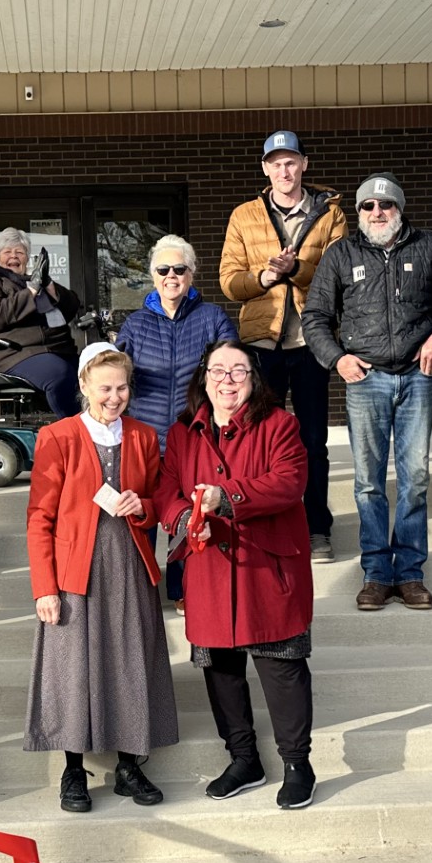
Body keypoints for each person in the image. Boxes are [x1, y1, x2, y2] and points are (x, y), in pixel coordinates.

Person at [155, 341, 318, 809]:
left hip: (265, 565)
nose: (227, 380)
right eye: (218, 370)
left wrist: (224, 498)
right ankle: (244, 758)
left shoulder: (280, 425)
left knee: (280, 665)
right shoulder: (184, 431)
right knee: (220, 667)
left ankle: (296, 763)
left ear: (255, 378)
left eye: (238, 371)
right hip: (208, 565)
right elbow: (167, 487)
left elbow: (288, 481)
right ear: (203, 376)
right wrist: (183, 517)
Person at [301, 173, 432, 613]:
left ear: (400, 207)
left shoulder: (428, 246)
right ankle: (376, 573)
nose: (377, 213)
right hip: (365, 380)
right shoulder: (340, 254)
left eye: (386, 205)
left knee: (416, 480)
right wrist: (338, 359)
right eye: (368, 207)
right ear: (358, 213)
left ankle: (410, 573)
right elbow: (314, 316)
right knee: (368, 484)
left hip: (417, 376)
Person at [25, 344, 179, 811]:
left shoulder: (143, 436)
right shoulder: (58, 436)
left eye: (122, 387)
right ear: (84, 387)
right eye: (105, 388)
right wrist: (44, 588)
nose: (115, 396)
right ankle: (74, 770)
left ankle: (130, 765)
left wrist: (143, 506)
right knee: (74, 669)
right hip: (76, 570)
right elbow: (39, 517)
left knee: (131, 659)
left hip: (130, 564)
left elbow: (157, 500)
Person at [217, 130, 348, 562]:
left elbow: (339, 275)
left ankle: (316, 529)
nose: (284, 170)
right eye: (275, 163)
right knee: (255, 438)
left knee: (312, 441)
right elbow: (229, 281)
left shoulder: (329, 213)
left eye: (291, 161)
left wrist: (298, 269)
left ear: (304, 165)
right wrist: (264, 278)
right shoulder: (243, 215)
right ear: (265, 169)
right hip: (260, 342)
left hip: (311, 341)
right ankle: (261, 521)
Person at [114, 233, 237, 607]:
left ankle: (185, 591)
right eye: (163, 269)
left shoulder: (212, 317)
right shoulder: (134, 324)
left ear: (191, 274)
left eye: (179, 269)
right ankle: (143, 593)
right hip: (145, 438)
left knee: (188, 513)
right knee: (143, 513)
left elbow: (232, 369)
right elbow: (117, 379)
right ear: (152, 276)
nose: (171, 276)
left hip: (194, 435)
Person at [0, 228, 85, 419]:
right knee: (58, 373)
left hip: (52, 349)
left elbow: (72, 306)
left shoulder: (31, 280)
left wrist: (49, 286)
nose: (14, 256)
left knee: (92, 370)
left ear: (27, 258)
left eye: (19, 252)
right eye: (7, 252)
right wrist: (30, 293)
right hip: (10, 353)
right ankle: (75, 429)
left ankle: (96, 426)